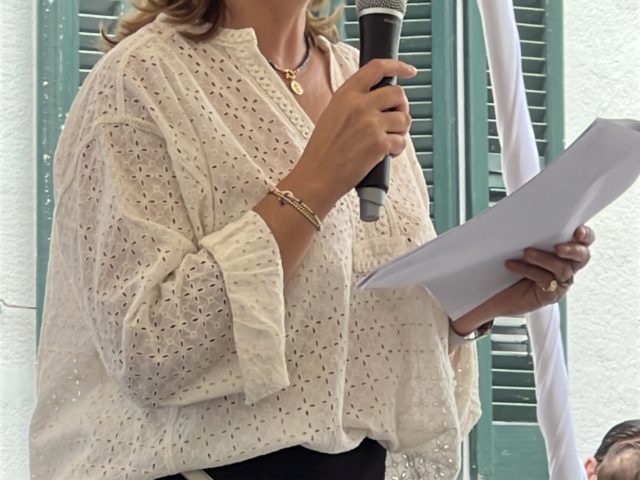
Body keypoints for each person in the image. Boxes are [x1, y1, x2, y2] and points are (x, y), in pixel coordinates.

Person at [29, 1, 595, 479]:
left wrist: (475, 302)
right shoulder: (138, 81)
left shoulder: (360, 78)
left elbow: (349, 326)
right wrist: (316, 182)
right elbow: (149, 349)